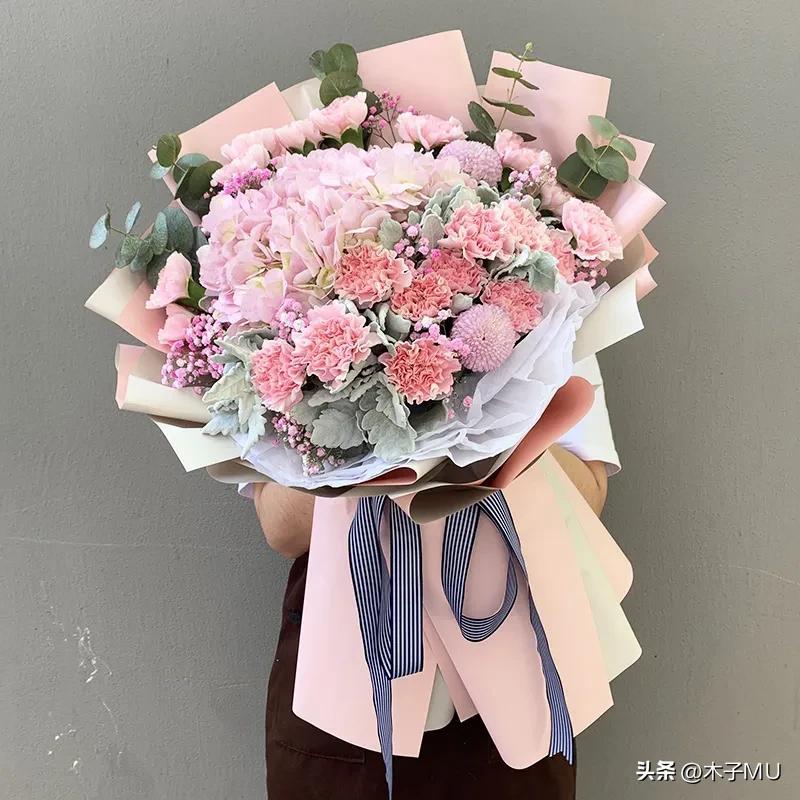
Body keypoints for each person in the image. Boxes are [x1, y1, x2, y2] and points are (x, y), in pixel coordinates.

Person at [252, 356, 618, 800]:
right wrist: (382, 424)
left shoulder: (553, 327)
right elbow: (282, 529)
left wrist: (487, 412)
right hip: (352, 661)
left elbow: (588, 498)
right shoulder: (282, 337)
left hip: (513, 662)